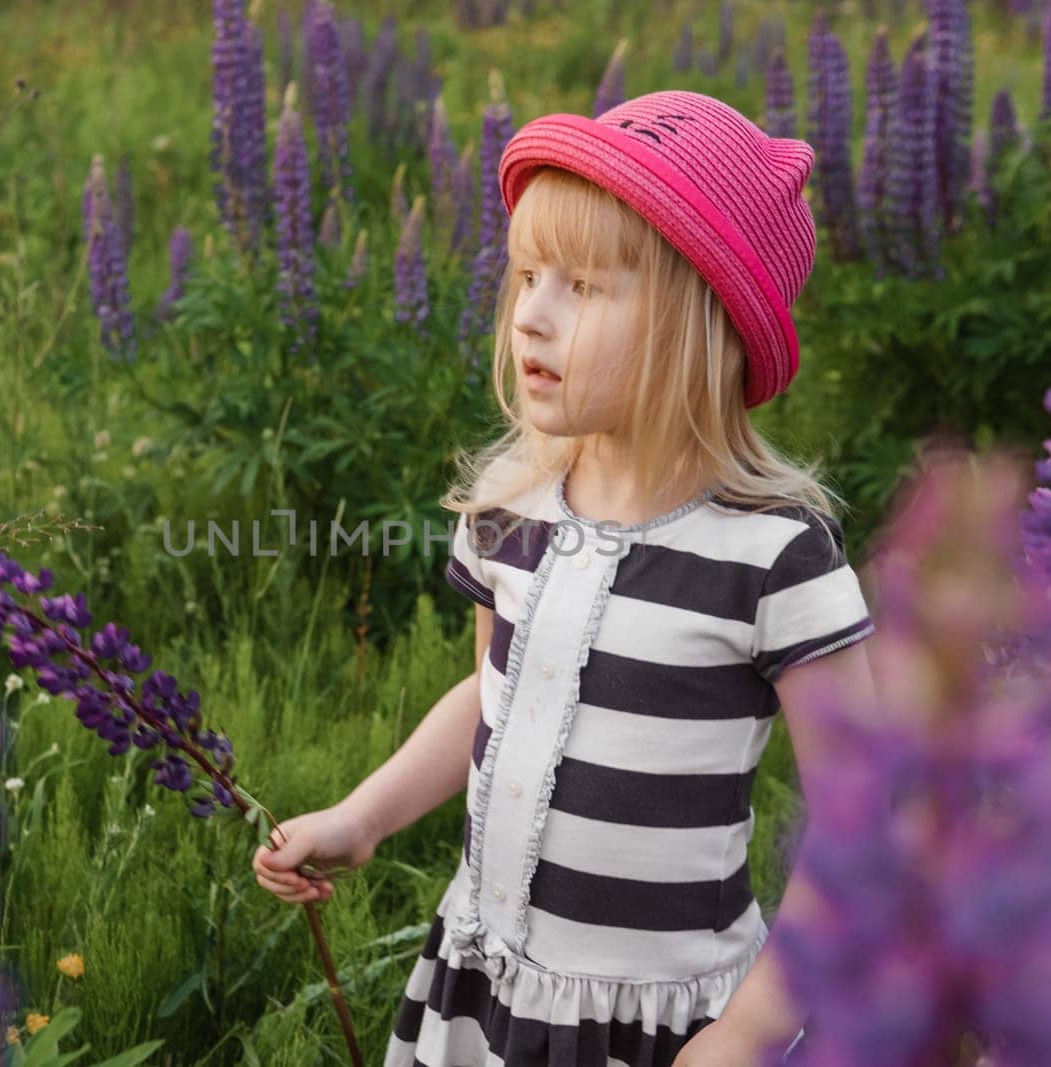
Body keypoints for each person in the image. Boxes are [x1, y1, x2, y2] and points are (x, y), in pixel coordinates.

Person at [251, 89, 878, 1066]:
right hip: (485, 985)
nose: (529, 318)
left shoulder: (771, 554)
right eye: (526, 276)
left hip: (666, 1022)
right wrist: (361, 815)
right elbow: (490, 694)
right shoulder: (514, 506)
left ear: (698, 320)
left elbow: (861, 815)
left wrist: (748, 1028)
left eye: (581, 286)